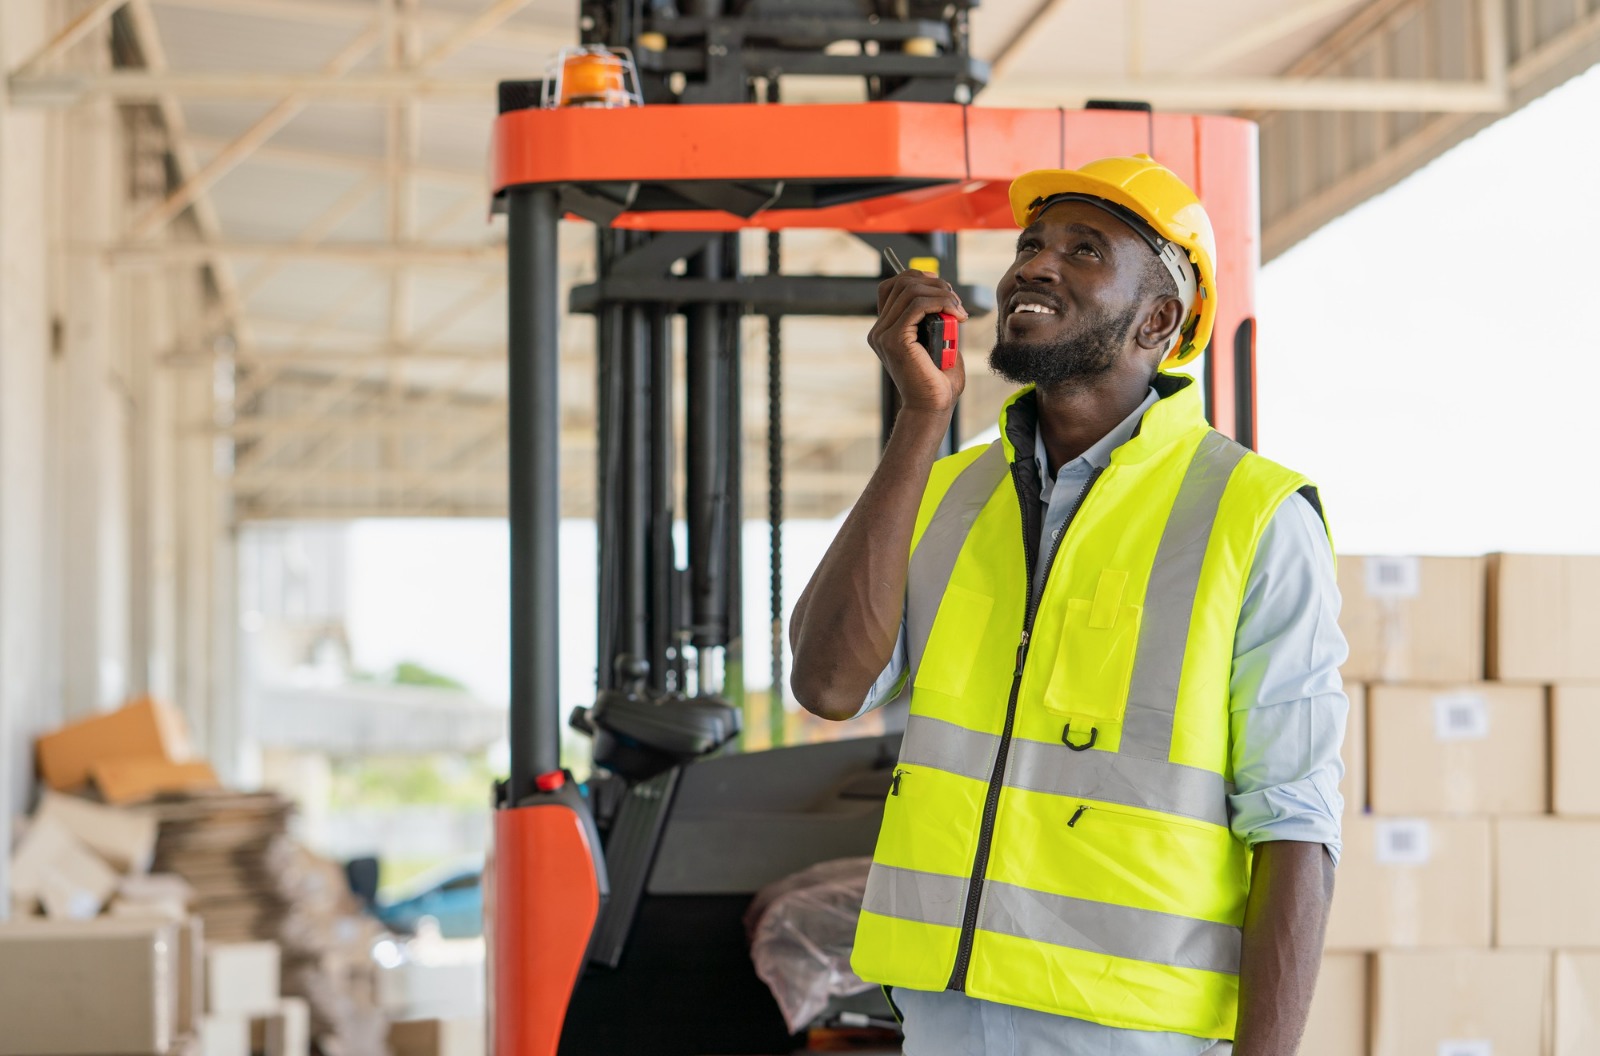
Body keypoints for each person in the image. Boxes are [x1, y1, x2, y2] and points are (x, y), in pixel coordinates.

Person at [788, 155, 1347, 1056]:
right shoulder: (947, 491)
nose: (1035, 267)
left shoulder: (1255, 517)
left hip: (1130, 1030)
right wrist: (921, 421)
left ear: (1158, 320)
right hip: (944, 1014)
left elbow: (1296, 825)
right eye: (1031, 245)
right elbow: (826, 683)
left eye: (1086, 250)